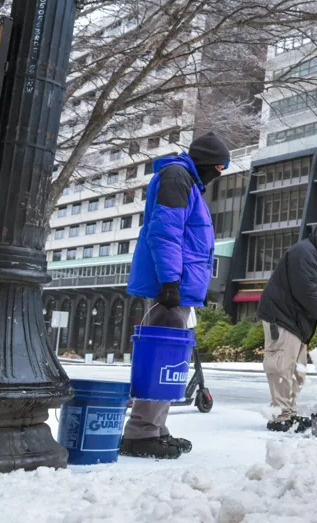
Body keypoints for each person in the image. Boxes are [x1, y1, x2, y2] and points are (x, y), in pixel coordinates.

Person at [120, 131, 231, 460]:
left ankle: (155, 428)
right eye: (220, 168)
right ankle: (141, 432)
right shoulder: (177, 177)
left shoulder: (186, 180)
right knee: (163, 359)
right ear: (210, 163)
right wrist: (170, 281)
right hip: (170, 286)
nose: (219, 175)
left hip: (180, 286)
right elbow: (165, 230)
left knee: (171, 361)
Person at [257, 223, 317, 432]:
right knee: (281, 367)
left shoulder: (313, 254)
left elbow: (309, 284)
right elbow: (304, 289)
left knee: (297, 372)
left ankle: (290, 413)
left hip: (295, 322)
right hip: (282, 317)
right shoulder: (303, 253)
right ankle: (279, 416)